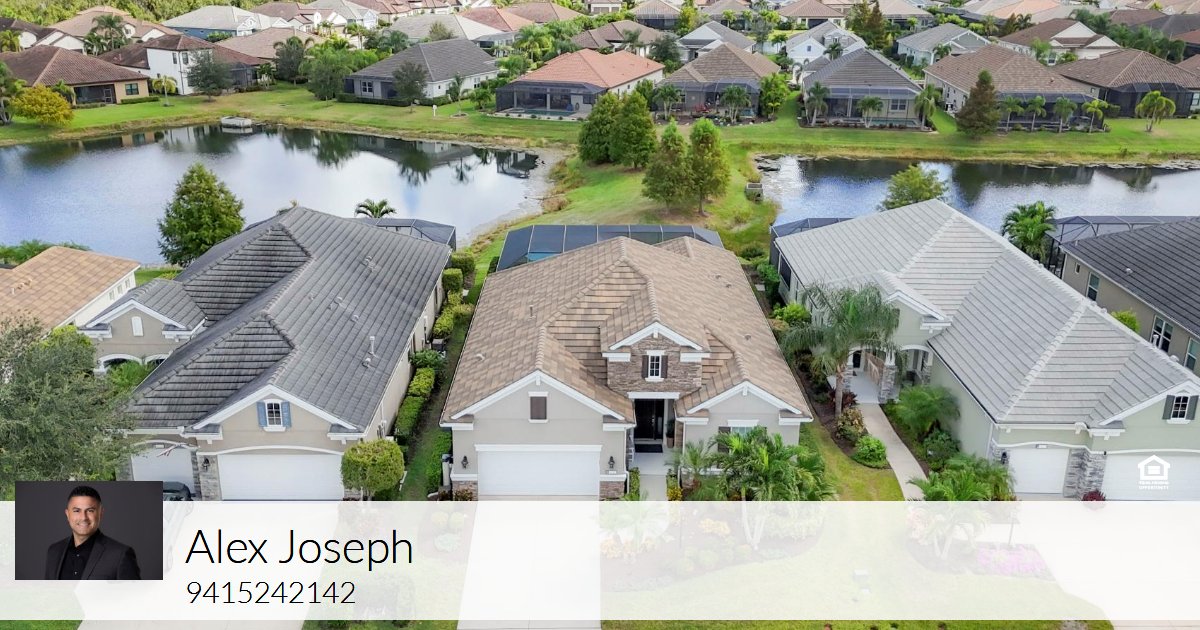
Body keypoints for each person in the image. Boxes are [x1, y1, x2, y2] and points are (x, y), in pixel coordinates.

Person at [44, 486, 141, 580]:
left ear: (101, 513)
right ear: (67, 514)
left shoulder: (120, 555)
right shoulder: (54, 551)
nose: (83, 517)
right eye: (77, 511)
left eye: (90, 511)